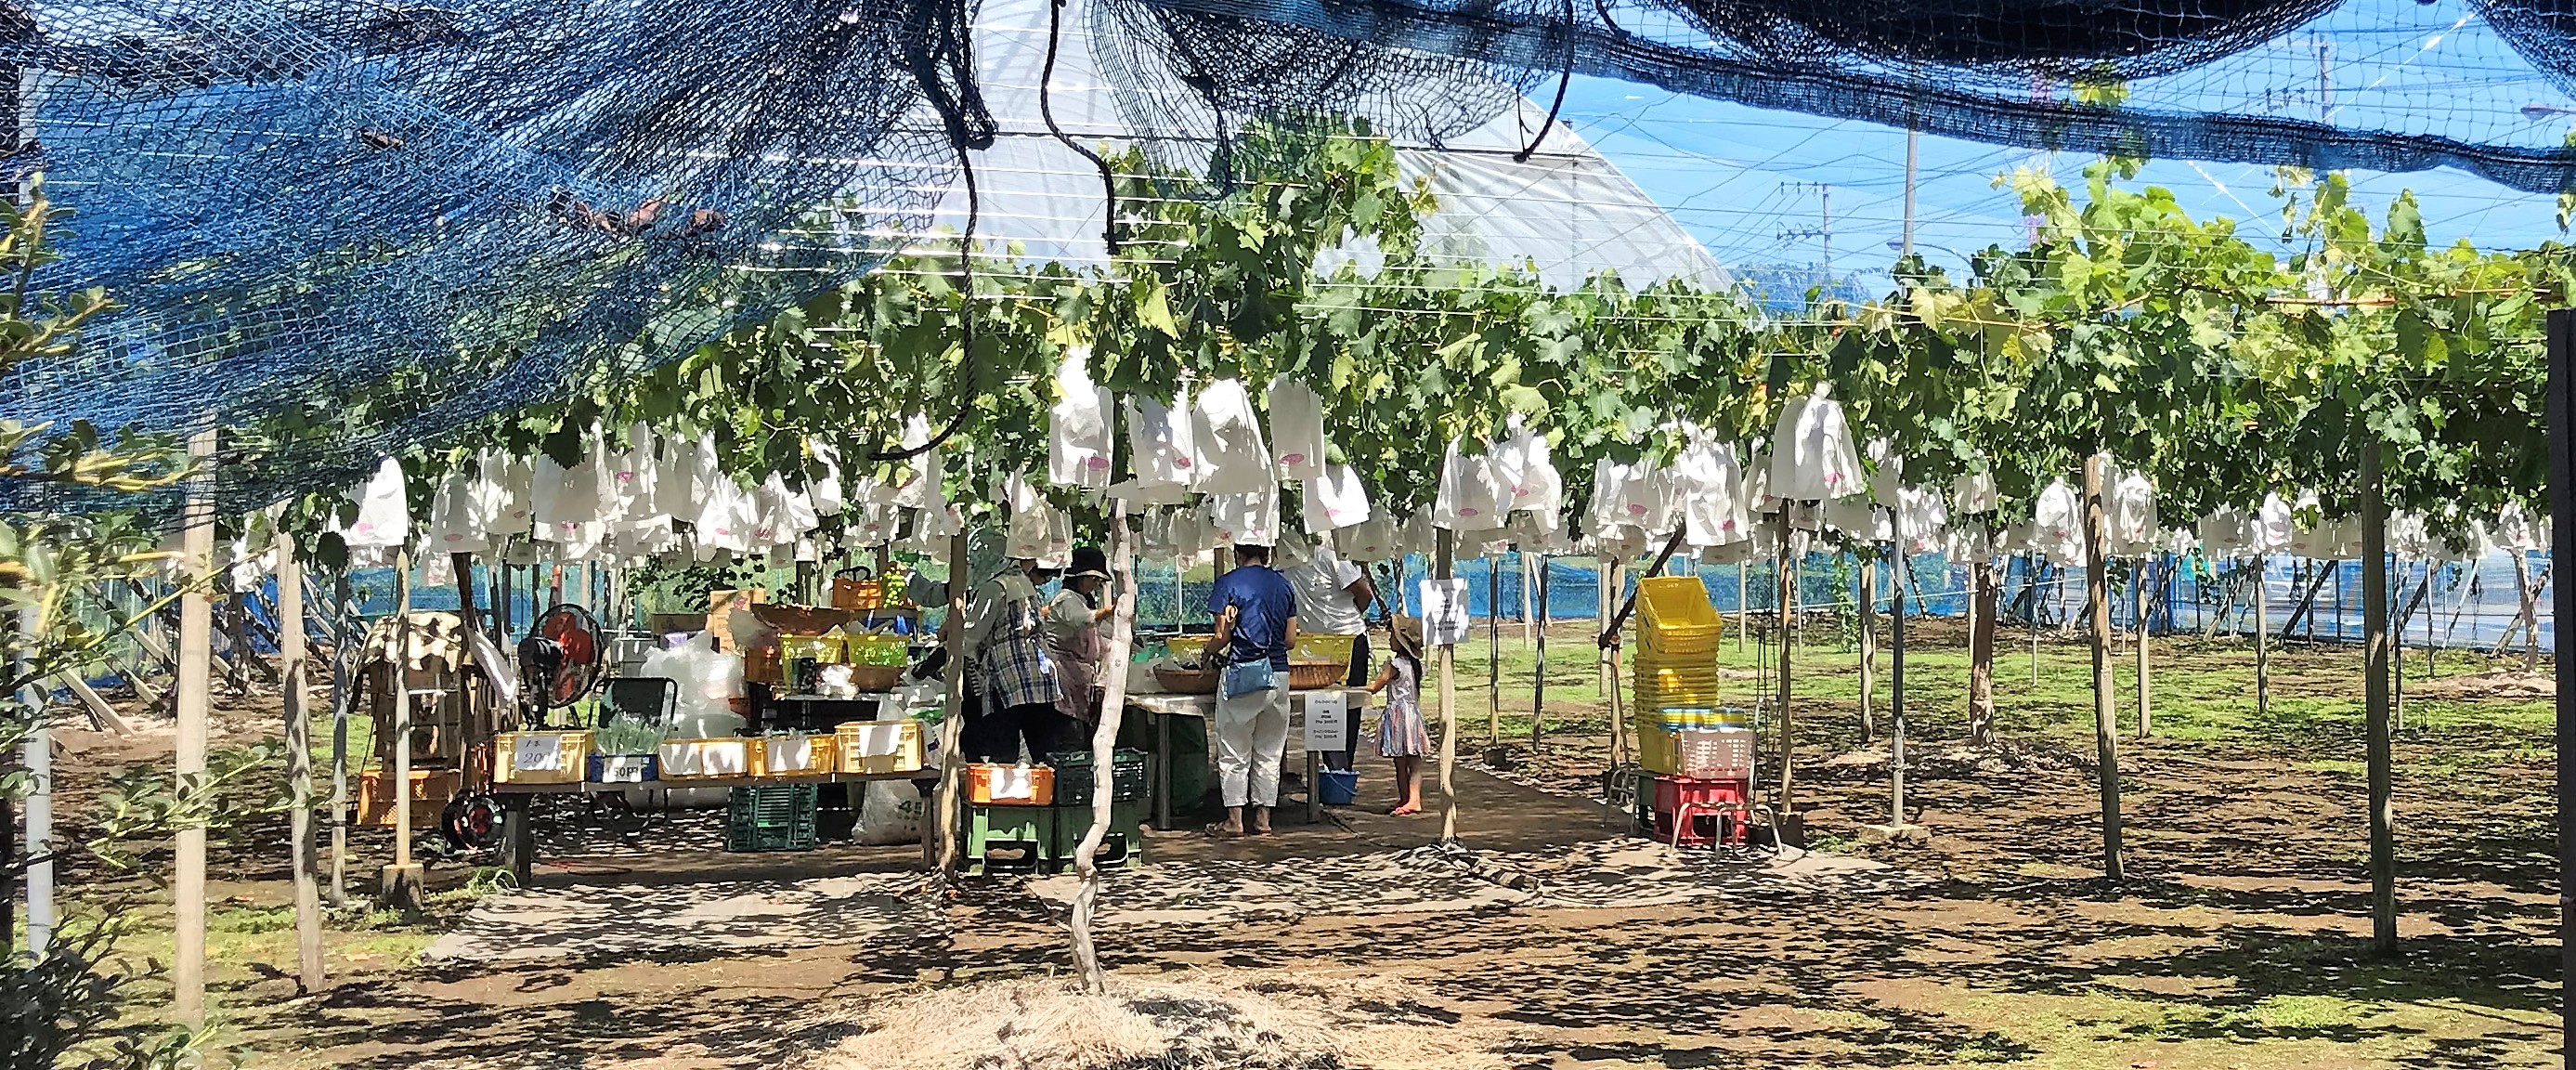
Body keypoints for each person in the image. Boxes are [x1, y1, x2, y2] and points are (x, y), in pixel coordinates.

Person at [1203, 542, 1297, 836]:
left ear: (1237, 554)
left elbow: (1222, 636)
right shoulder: (1284, 585)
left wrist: (1207, 652)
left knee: (1233, 750)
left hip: (1243, 674)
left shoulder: (1228, 583)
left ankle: (1234, 820)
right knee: (1270, 750)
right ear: (1267, 555)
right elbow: (1290, 639)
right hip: (1278, 675)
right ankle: (1264, 818)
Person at [962, 557, 1073, 763]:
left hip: (1009, 676)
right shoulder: (1022, 582)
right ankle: (1051, 792)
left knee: (1005, 752)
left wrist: (946, 651)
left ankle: (1009, 794)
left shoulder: (993, 588)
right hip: (1040, 676)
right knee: (1045, 752)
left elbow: (971, 636)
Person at [1282, 539, 1377, 767]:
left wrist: (1346, 619)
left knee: (1350, 704)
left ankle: (1343, 768)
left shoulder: (1329, 556)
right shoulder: (1283, 562)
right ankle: (1332, 769)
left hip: (1350, 639)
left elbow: (1364, 593)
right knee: (1322, 706)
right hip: (1316, 645)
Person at [1044, 546, 1116, 750]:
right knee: (1069, 736)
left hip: (1080, 678)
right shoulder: (1066, 599)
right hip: (1065, 675)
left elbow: (1094, 640)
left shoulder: (1082, 600)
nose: (1095, 584)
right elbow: (1082, 620)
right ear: (1079, 577)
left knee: (1080, 735)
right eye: (1092, 579)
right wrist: (1109, 610)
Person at [1364, 620, 1430, 816]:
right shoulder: (1416, 666)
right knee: (1414, 761)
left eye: (1393, 637)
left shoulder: (1395, 665)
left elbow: (1376, 686)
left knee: (1400, 761)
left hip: (1398, 716)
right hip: (1413, 714)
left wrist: (1354, 688)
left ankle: (1410, 799)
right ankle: (1411, 799)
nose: (1390, 639)